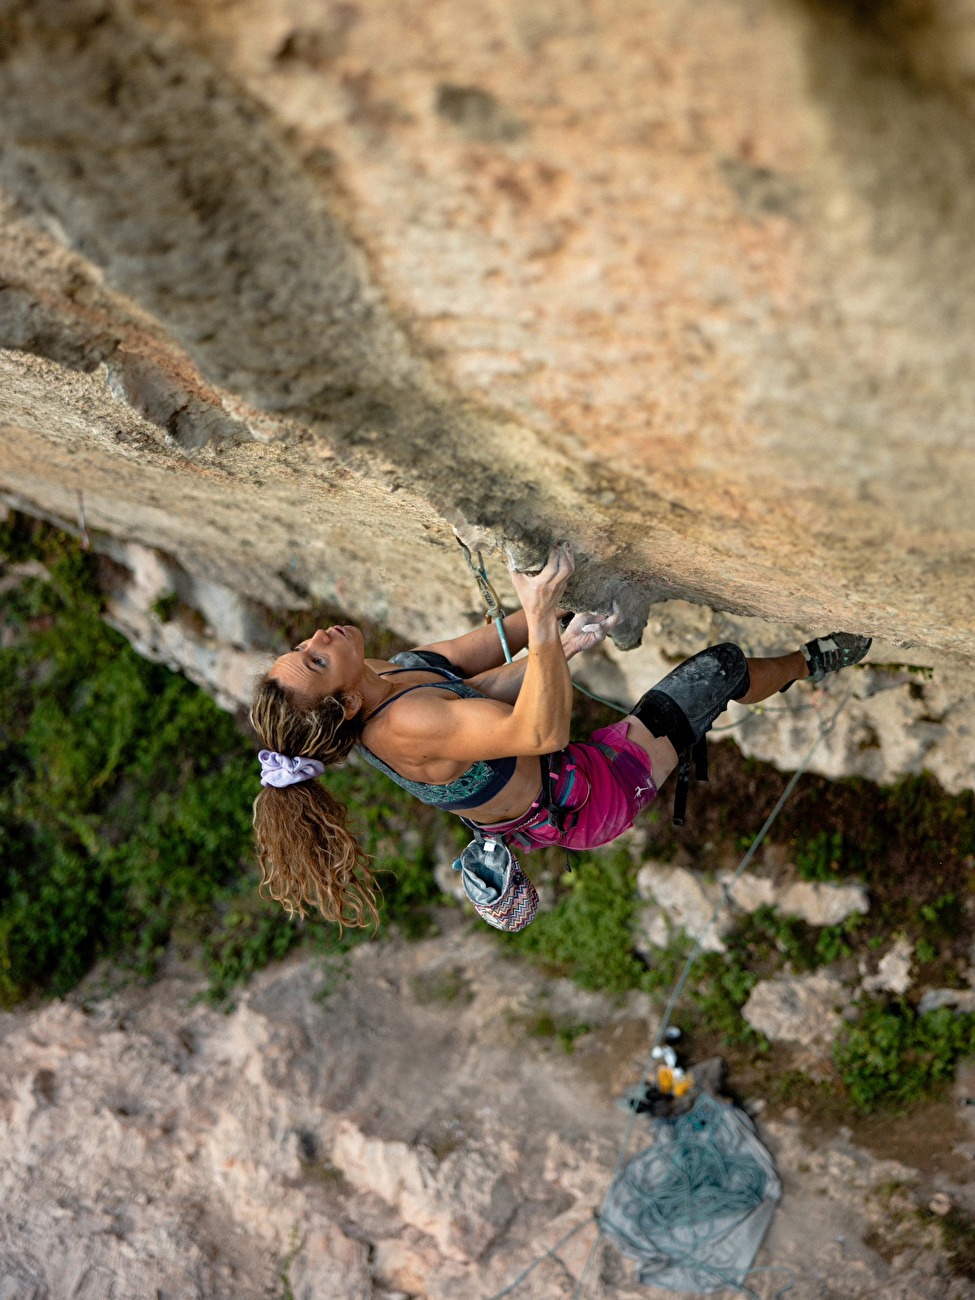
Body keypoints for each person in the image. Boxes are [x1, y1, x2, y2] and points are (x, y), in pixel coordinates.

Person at [250, 542, 870, 929]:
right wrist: (548, 619)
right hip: (593, 797)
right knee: (720, 669)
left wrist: (562, 619)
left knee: (672, 674)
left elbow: (482, 661)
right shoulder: (402, 729)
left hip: (554, 776)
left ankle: (793, 668)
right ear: (348, 701)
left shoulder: (380, 677)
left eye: (302, 647)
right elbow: (539, 730)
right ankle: (808, 662)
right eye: (316, 660)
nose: (318, 639)